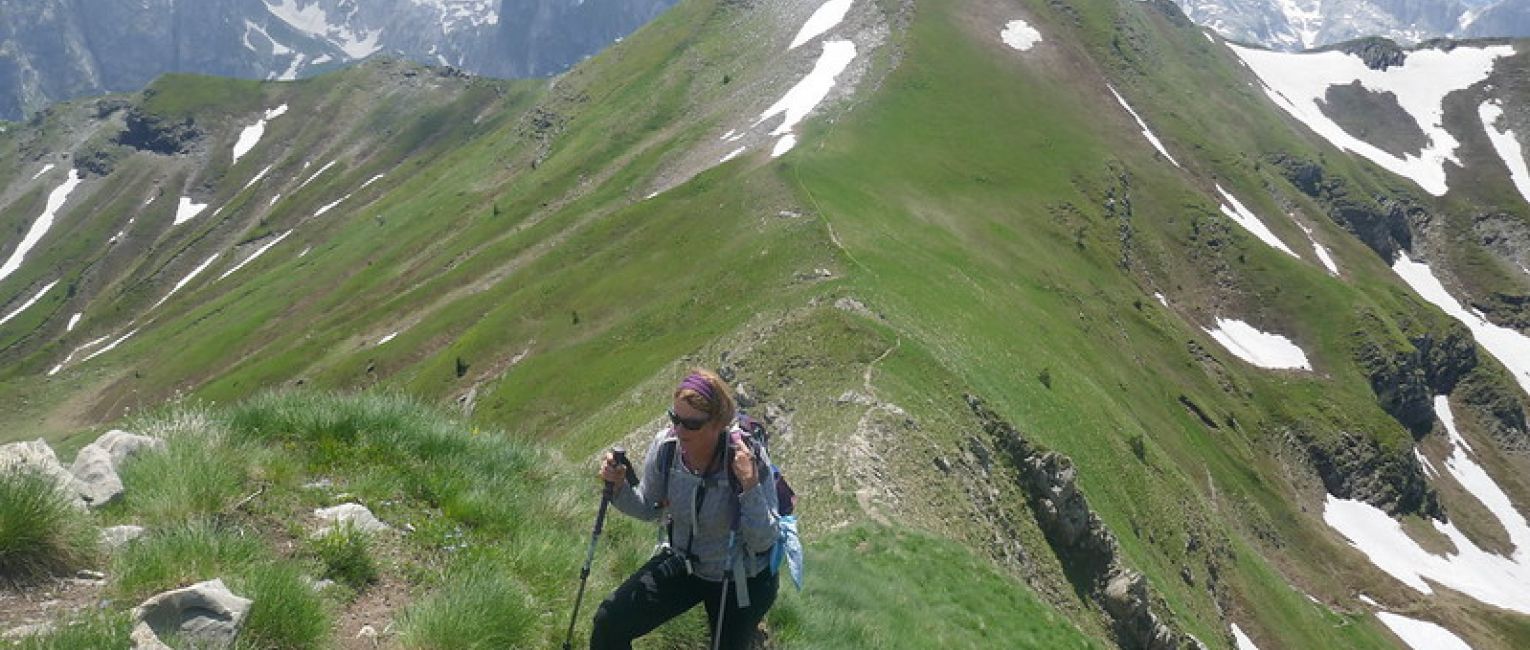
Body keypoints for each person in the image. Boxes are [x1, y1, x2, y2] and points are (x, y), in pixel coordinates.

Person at [591, 368, 781, 649]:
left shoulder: (746, 458)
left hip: (741, 577)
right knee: (609, 620)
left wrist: (749, 486)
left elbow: (763, 540)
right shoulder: (667, 447)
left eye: (691, 424)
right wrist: (618, 487)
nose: (679, 430)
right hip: (684, 562)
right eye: (675, 418)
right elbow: (648, 507)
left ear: (718, 424)